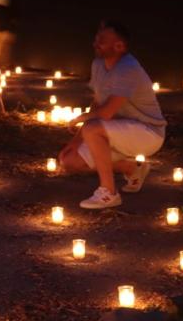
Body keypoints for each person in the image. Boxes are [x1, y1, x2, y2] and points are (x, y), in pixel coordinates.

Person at [58, 21, 167, 209]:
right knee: (70, 161)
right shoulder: (98, 65)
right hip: (116, 132)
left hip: (147, 133)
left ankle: (109, 193)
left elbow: (106, 112)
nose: (95, 43)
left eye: (102, 40)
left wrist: (80, 118)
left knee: (93, 128)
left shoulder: (128, 68)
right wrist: (75, 142)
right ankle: (132, 168)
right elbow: (98, 104)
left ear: (119, 46)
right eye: (96, 39)